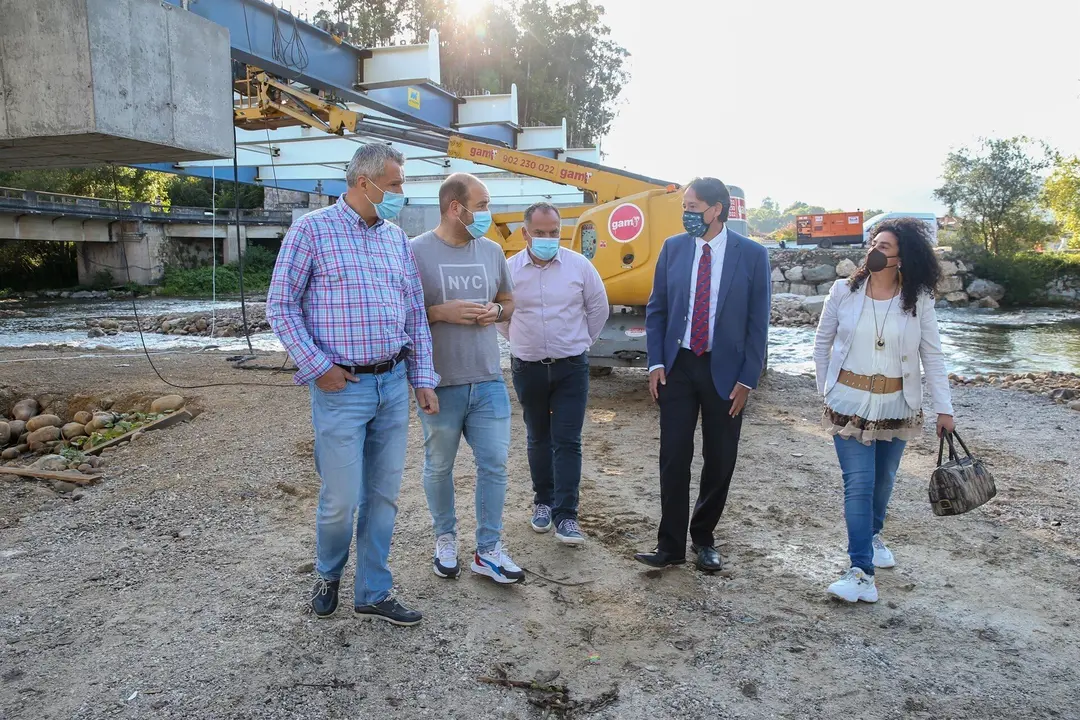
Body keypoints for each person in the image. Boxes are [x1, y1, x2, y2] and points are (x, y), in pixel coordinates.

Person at [266, 144, 440, 627]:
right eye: (397, 183)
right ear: (365, 183)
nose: (402, 193)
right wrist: (317, 365)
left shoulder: (396, 240)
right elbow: (280, 305)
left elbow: (413, 317)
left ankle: (374, 591)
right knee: (341, 499)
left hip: (393, 383)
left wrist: (423, 378)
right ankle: (328, 574)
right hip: (341, 388)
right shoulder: (311, 231)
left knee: (383, 496)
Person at [813, 217, 954, 603]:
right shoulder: (842, 291)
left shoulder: (918, 299)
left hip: (897, 403)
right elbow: (821, 343)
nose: (876, 251)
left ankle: (873, 535)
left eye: (886, 246)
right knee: (857, 483)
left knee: (884, 479)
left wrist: (945, 408)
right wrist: (826, 390)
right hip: (848, 403)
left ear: (902, 258)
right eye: (874, 243)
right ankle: (861, 571)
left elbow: (933, 356)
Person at [637, 177, 771, 572]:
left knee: (720, 458)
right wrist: (656, 363)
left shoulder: (751, 255)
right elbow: (657, 308)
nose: (687, 215)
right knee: (673, 456)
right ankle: (670, 544)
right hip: (678, 366)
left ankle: (704, 538)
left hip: (727, 373)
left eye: (693, 207)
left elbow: (757, 324)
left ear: (716, 209)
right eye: (685, 207)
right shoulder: (673, 248)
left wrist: (748, 380)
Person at [411, 173, 524, 584]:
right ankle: (444, 538)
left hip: (489, 378)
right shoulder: (416, 252)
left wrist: (495, 313)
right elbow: (401, 316)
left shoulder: (492, 251)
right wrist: (440, 312)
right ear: (454, 207)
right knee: (439, 466)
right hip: (440, 381)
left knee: (494, 463)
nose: (487, 214)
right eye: (481, 205)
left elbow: (509, 303)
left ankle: (488, 549)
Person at [499, 202, 610, 546]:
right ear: (525, 233)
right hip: (528, 367)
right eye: (540, 233)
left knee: (567, 440)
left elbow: (598, 308)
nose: (548, 239)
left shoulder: (579, 266)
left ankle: (567, 515)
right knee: (537, 436)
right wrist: (523, 341)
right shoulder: (508, 269)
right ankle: (543, 503)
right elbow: (501, 315)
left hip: (570, 369)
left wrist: (578, 342)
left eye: (553, 233)